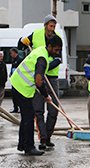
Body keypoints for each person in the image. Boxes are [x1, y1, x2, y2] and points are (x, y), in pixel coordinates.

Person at [10, 35, 62, 156]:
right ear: (49, 46)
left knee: (26, 118)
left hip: (18, 84)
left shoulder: (40, 51)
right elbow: (39, 81)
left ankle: (22, 144)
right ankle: (29, 147)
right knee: (28, 117)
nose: (57, 52)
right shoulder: (42, 58)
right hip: (21, 87)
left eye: (59, 50)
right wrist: (45, 95)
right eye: (56, 49)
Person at [19, 14, 62, 150]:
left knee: (54, 109)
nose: (52, 28)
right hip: (38, 78)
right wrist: (23, 41)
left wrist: (46, 65)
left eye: (54, 26)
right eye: (50, 25)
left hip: (52, 78)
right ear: (45, 25)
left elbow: (58, 59)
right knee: (38, 111)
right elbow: (20, 46)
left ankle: (48, 136)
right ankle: (43, 138)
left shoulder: (57, 39)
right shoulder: (36, 35)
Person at [9, 48, 23, 113]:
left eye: (11, 53)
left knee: (18, 95)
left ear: (15, 53)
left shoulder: (20, 59)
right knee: (13, 95)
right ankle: (15, 108)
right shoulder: (13, 60)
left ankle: (20, 107)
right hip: (14, 80)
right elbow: (12, 68)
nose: (10, 55)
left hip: (18, 80)